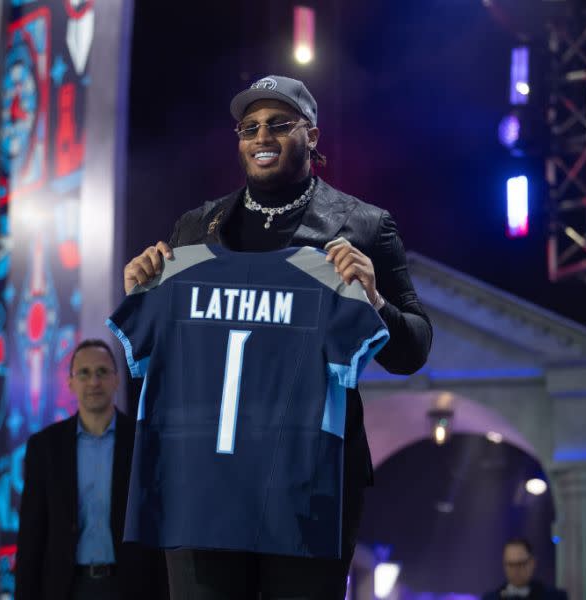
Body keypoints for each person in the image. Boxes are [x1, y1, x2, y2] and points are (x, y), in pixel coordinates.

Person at [121, 74, 432, 599]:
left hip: (309, 478)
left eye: (279, 124)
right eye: (249, 127)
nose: (261, 137)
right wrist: (141, 297)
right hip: (207, 473)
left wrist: (375, 301)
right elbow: (163, 358)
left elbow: (414, 350)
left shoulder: (363, 225)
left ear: (311, 136)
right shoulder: (196, 228)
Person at [14, 339, 167, 600]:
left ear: (116, 380)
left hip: (131, 586)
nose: (94, 382)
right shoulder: (45, 448)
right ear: (70, 382)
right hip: (67, 588)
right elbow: (32, 534)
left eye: (102, 372)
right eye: (84, 373)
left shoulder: (144, 442)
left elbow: (159, 524)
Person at [482, 538, 568, 600]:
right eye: (510, 565)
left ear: (532, 563)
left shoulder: (554, 597)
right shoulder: (491, 598)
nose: (515, 570)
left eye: (520, 564)